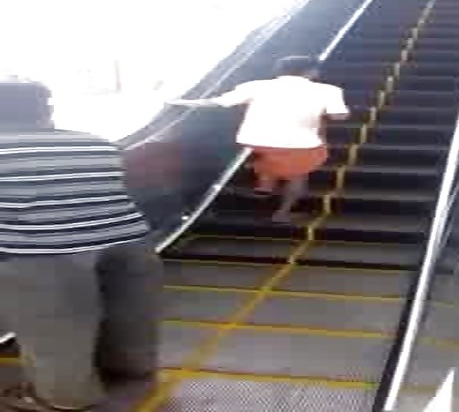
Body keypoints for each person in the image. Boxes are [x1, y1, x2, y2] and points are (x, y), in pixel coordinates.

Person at [0, 81, 162, 411]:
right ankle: (131, 369)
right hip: (129, 240)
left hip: (45, 251)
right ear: (46, 110)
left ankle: (63, 397)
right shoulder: (96, 142)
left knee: (56, 329)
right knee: (130, 313)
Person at [168, 55, 350, 223]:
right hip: (300, 144)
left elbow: (217, 102)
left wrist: (182, 102)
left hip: (253, 141)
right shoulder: (328, 90)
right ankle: (282, 213)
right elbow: (338, 116)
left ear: (279, 71)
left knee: (268, 154)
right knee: (299, 175)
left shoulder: (254, 86)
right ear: (312, 71)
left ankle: (265, 185)